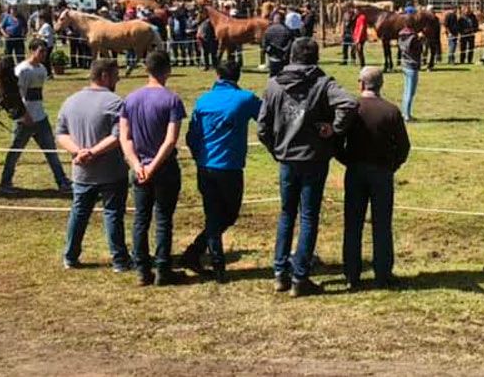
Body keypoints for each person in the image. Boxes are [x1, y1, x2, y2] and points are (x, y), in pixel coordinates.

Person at [257, 38, 358, 297]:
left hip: (287, 160)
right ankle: (300, 277)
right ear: (315, 57)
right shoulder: (323, 83)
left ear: (291, 56)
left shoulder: (273, 85)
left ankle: (280, 272)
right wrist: (334, 129)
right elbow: (349, 103)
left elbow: (262, 128)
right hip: (314, 159)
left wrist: (276, 150)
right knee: (308, 216)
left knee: (286, 214)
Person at [182, 59, 263, 283]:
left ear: (217, 75)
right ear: (238, 77)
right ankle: (216, 264)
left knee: (215, 214)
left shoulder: (203, 100)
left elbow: (191, 136)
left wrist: (199, 156)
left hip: (206, 165)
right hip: (230, 166)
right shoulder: (245, 98)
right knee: (227, 214)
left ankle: (196, 253)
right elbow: (265, 117)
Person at [338, 67, 411, 289]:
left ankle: (352, 274)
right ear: (381, 85)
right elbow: (404, 146)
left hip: (355, 172)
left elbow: (337, 142)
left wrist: (347, 160)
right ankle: (383, 274)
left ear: (361, 84)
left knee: (353, 224)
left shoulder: (352, 109)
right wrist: (392, 165)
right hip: (382, 173)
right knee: (382, 224)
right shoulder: (391, 111)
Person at [55, 59, 130, 273]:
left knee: (79, 213)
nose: (118, 79)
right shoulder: (115, 102)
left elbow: (61, 133)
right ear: (105, 76)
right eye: (116, 74)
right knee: (113, 214)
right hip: (111, 172)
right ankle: (119, 260)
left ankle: (70, 256)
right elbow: (119, 137)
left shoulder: (70, 101)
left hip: (82, 172)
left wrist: (79, 153)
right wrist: (92, 152)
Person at [120, 51, 187, 287]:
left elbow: (125, 137)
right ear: (167, 69)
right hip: (164, 168)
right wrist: (154, 166)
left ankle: (142, 270)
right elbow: (170, 141)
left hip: (138, 169)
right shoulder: (172, 100)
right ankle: (163, 269)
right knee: (163, 219)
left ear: (146, 69)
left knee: (140, 219)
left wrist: (138, 165)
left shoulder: (130, 99)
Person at [0, 39, 73, 195]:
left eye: (45, 51)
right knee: (15, 152)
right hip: (25, 120)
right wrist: (24, 115)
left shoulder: (42, 70)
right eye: (41, 51)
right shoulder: (22, 70)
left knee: (51, 151)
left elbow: (37, 95)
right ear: (32, 51)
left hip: (40, 117)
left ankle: (62, 181)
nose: (44, 55)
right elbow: (19, 96)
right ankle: (5, 182)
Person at [399, 22, 422, 121]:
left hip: (405, 64)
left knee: (406, 91)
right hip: (412, 66)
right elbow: (418, 50)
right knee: (410, 92)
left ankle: (405, 113)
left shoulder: (401, 35)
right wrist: (421, 39)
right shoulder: (413, 38)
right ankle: (407, 115)